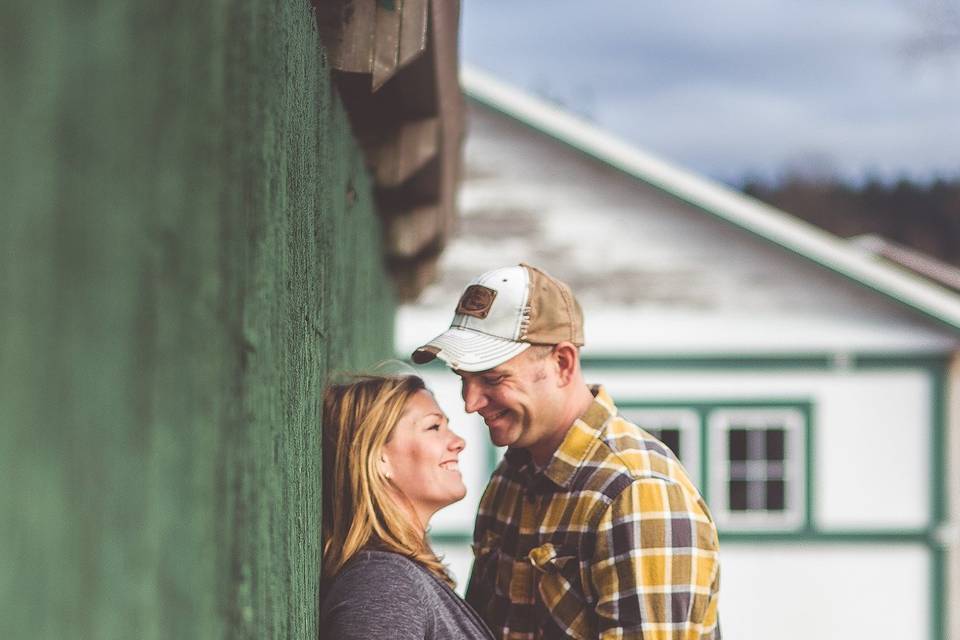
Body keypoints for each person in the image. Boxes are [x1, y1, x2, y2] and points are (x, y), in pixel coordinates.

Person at [411, 264, 721, 640]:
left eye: (492, 378)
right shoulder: (512, 475)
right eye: (464, 379)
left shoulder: (636, 493)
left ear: (562, 363)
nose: (470, 403)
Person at [320, 374, 494, 640]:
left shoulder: (397, 577)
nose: (458, 442)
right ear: (379, 458)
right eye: (434, 427)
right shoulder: (384, 583)